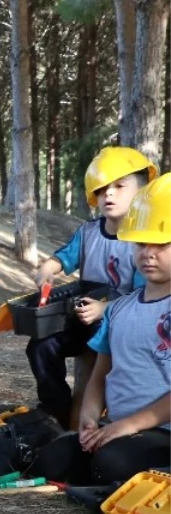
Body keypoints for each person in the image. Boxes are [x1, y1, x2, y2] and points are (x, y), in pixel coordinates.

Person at [32, 174, 171, 485]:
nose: (148, 252)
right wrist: (90, 417)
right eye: (141, 243)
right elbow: (100, 373)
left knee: (108, 465)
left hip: (160, 431)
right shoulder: (120, 309)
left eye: (162, 243)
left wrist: (127, 427)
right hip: (119, 426)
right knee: (50, 461)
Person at [27, 146, 156, 427]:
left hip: (119, 323)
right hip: (81, 317)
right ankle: (56, 408)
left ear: (141, 191)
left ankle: (111, 413)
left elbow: (142, 296)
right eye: (101, 189)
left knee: (106, 365)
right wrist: (49, 267)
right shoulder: (88, 232)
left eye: (119, 186)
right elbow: (65, 257)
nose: (108, 194)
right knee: (40, 345)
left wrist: (106, 309)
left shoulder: (142, 242)